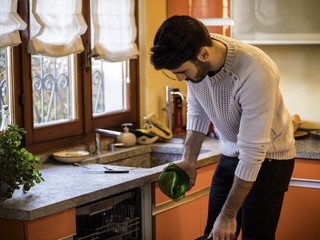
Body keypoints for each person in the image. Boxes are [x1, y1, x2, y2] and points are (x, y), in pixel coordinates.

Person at [150, 15, 296, 240]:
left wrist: (229, 215)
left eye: (182, 71)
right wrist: (189, 160)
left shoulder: (255, 71)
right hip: (231, 152)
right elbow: (198, 111)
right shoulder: (193, 55)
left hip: (269, 157)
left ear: (204, 54)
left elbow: (252, 152)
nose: (180, 78)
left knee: (254, 235)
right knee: (214, 234)